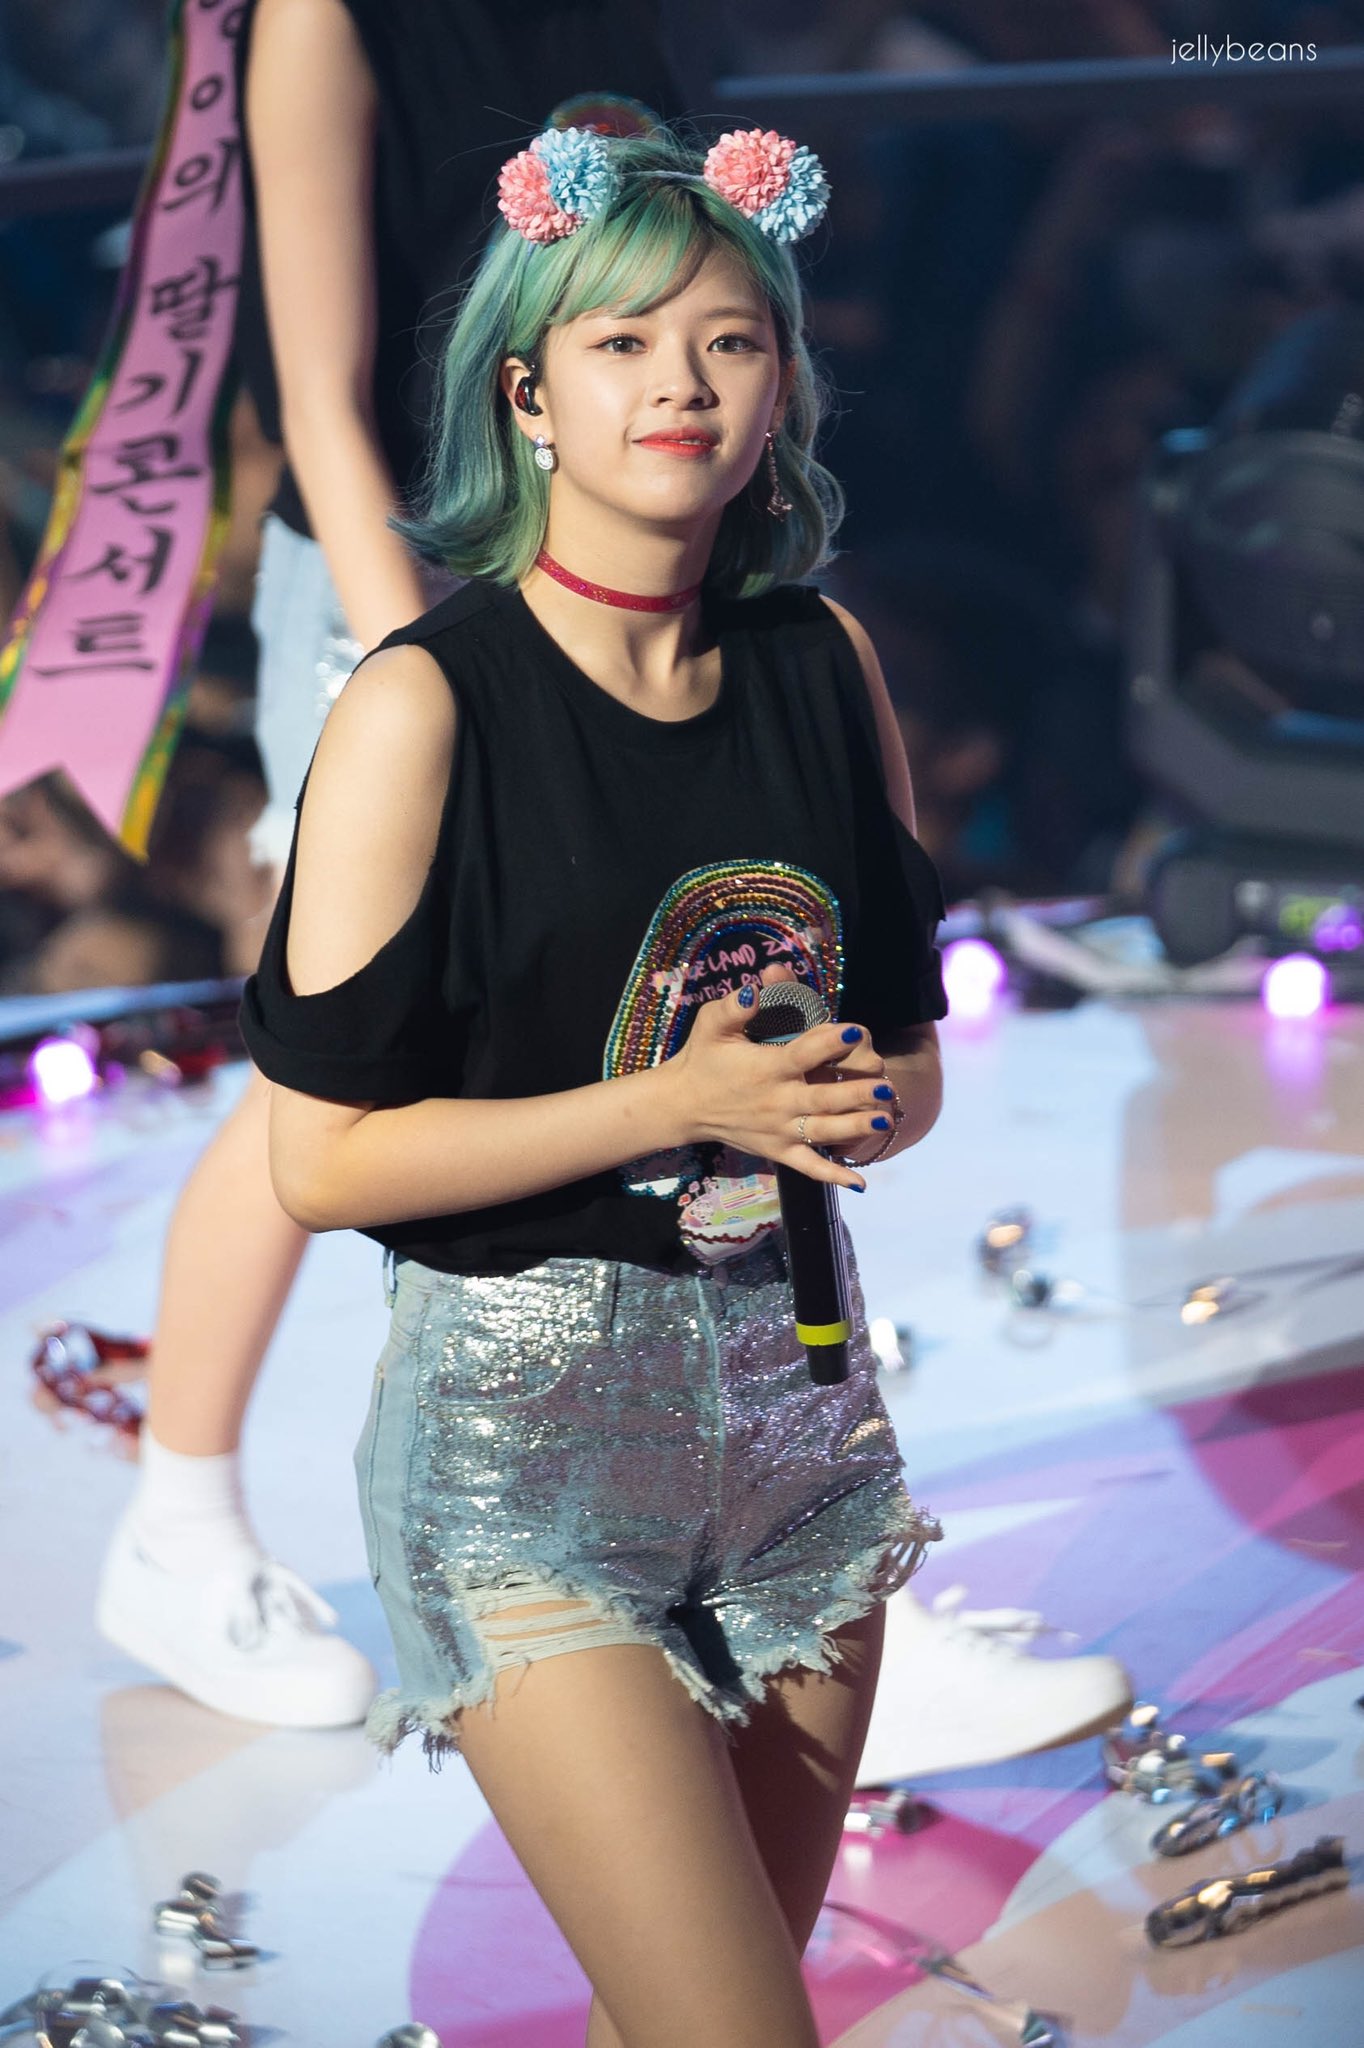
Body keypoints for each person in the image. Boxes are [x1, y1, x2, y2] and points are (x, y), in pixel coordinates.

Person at [240, 119, 944, 2044]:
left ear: (779, 388)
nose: (679, 383)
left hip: (801, 1424)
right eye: (622, 343)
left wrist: (844, 1104)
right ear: (529, 396)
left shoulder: (823, 664)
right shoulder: (422, 705)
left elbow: (910, 1066)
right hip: (525, 1461)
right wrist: (678, 1107)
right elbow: (322, 1161)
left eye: (728, 341)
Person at [96, 0, 681, 1726]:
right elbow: (322, 405)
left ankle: (752, 1531)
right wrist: (429, 676)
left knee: (656, 1022)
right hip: (409, 595)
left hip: (610, 580)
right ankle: (179, 1527)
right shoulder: (325, 17)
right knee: (339, 1066)